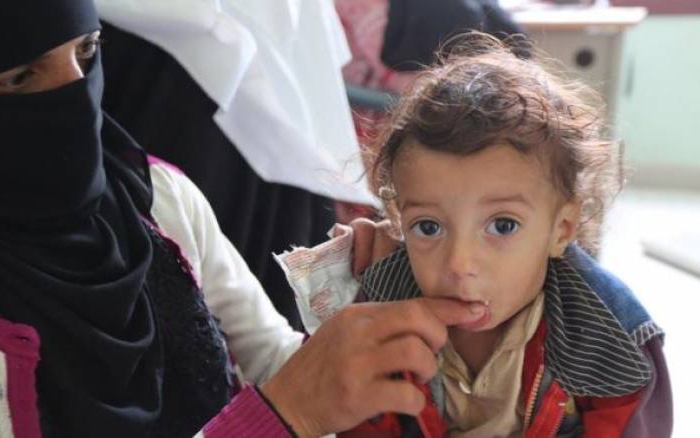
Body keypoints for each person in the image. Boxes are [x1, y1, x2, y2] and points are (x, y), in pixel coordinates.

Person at [0, 2, 490, 437]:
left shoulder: (156, 200)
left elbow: (272, 357)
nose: (75, 97)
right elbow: (289, 399)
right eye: (19, 78)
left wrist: (371, 312)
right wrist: (286, 413)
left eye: (87, 51)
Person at [283, 34, 673, 437]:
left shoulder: (611, 340)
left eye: (503, 225)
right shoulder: (380, 312)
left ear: (562, 229)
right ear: (398, 220)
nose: (459, 263)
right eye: (428, 227)